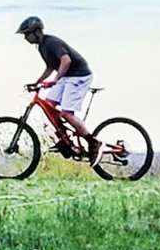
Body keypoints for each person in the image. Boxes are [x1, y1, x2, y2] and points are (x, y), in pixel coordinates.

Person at [16, 15, 99, 161]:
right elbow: (50, 66)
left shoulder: (51, 42)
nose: (25, 38)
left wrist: (55, 80)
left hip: (79, 75)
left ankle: (93, 143)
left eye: (26, 34)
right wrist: (38, 82)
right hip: (67, 76)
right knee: (49, 105)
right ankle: (66, 140)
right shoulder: (41, 47)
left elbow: (66, 61)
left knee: (67, 114)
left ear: (36, 32)